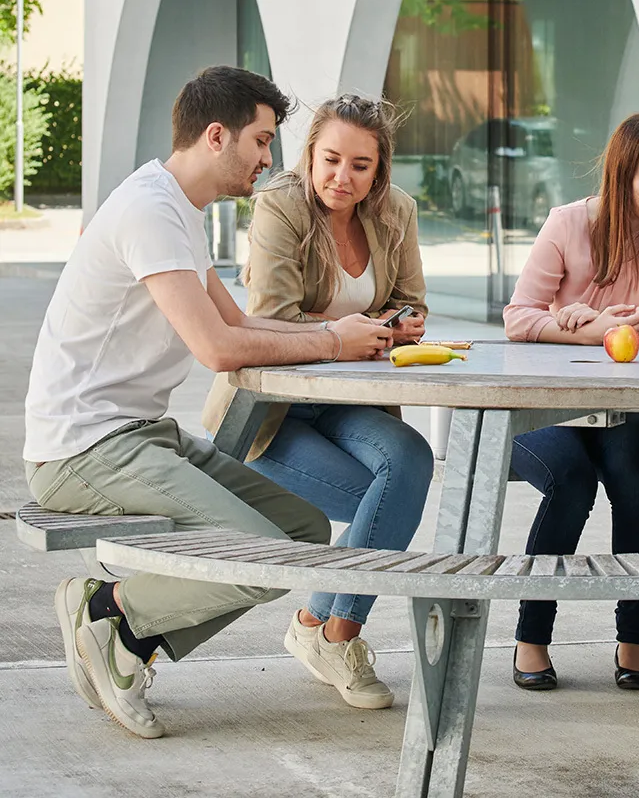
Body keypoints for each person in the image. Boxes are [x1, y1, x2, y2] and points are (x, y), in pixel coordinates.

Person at [25, 66, 394, 739]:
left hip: (141, 435)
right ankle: (108, 612)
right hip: (82, 447)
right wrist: (328, 340)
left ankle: (128, 643)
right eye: (261, 140)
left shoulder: (178, 212)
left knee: (303, 533)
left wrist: (336, 337)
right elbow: (218, 348)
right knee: (259, 551)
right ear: (217, 135)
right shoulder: (149, 210)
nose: (268, 158)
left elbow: (244, 323)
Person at [201, 94, 434, 710]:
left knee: (410, 462)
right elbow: (272, 315)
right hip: (273, 408)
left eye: (361, 166)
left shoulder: (396, 212)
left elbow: (411, 299)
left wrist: (400, 323)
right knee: (383, 507)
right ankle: (330, 632)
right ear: (310, 155)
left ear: (378, 171)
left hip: (350, 398)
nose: (343, 178)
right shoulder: (279, 204)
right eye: (331, 159)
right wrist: (351, 334)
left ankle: (327, 630)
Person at [503, 112, 639, 691]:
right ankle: (531, 637)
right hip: (547, 406)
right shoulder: (568, 224)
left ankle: (633, 638)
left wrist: (623, 324)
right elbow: (519, 317)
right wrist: (584, 331)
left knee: (637, 480)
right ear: (621, 176)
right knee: (571, 479)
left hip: (620, 407)